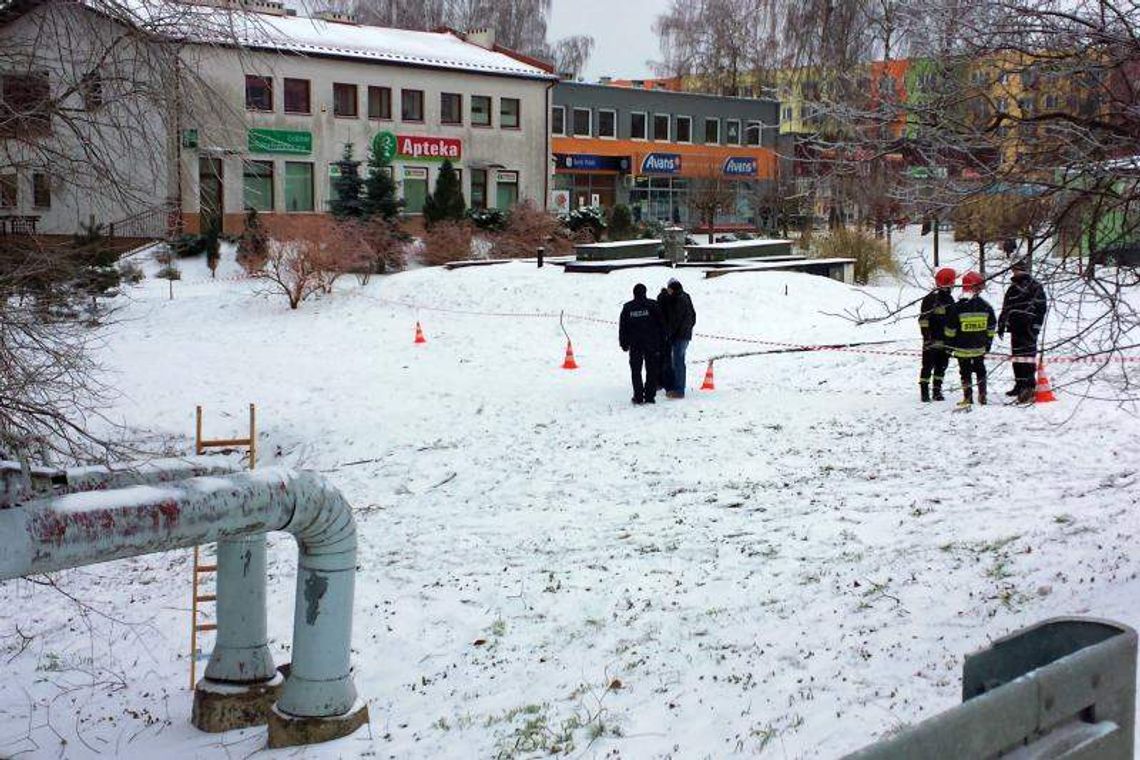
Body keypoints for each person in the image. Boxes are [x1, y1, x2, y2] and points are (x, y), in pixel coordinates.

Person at [997, 257, 1047, 404]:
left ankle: (1029, 386)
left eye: (1017, 270)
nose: (1015, 273)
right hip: (1015, 328)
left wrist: (1036, 326)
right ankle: (1019, 385)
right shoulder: (1013, 288)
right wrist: (1002, 324)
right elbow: (1006, 307)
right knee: (1017, 358)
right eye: (1014, 270)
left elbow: (1041, 308)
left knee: (1028, 358)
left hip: (1029, 328)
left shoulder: (1035, 286)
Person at [944, 270, 996, 407]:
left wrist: (949, 345)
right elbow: (991, 327)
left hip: (962, 349)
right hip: (979, 347)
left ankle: (968, 398)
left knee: (965, 373)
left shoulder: (957, 308)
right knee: (980, 370)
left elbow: (950, 330)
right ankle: (983, 395)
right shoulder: (986, 307)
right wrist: (988, 343)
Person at [619, 283, 665, 405]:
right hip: (651, 343)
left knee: (636, 370)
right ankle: (650, 396)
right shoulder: (653, 305)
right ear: (645, 292)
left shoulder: (628, 307)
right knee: (652, 370)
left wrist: (624, 343)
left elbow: (623, 327)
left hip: (635, 344)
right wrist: (662, 341)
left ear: (634, 293)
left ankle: (638, 396)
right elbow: (661, 324)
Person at [918, 267, 957, 402]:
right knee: (930, 367)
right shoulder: (935, 299)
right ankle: (927, 391)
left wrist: (950, 341)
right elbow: (923, 320)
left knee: (938, 367)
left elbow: (952, 322)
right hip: (935, 341)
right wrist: (928, 338)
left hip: (940, 341)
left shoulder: (945, 299)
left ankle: (935, 391)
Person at [663, 278, 696, 399]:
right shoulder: (686, 296)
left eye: (668, 289)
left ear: (672, 289)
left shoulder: (678, 300)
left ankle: (679, 390)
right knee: (678, 361)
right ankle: (676, 387)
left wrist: (669, 333)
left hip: (679, 336)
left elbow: (675, 320)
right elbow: (693, 316)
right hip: (685, 334)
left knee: (678, 363)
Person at [657, 286, 676, 392]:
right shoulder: (670, 303)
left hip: (659, 335)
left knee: (659, 360)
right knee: (668, 360)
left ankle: (659, 382)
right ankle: (669, 383)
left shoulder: (658, 303)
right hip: (668, 334)